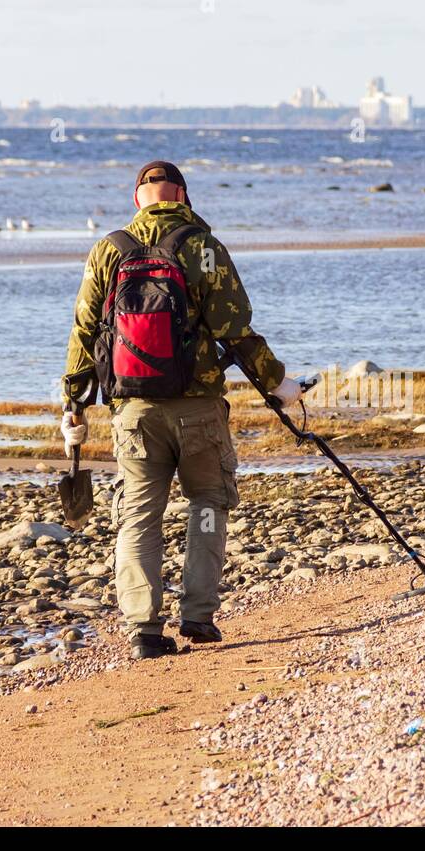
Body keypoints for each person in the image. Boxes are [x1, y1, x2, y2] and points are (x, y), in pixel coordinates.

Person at [60, 161, 301, 660]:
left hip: (133, 411)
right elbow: (235, 330)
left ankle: (144, 630)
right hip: (198, 409)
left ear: (136, 200)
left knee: (139, 517)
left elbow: (84, 331)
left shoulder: (109, 250)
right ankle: (197, 616)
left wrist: (73, 404)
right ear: (184, 197)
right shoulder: (205, 248)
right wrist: (280, 385)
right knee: (208, 505)